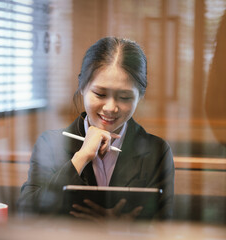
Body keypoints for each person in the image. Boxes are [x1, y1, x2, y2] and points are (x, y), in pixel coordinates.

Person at [17, 37, 174, 221]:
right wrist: (81, 157)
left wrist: (123, 232)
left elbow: (164, 225)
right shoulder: (51, 144)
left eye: (124, 97)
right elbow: (27, 214)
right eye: (100, 94)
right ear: (82, 86)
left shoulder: (157, 151)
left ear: (140, 96)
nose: (110, 108)